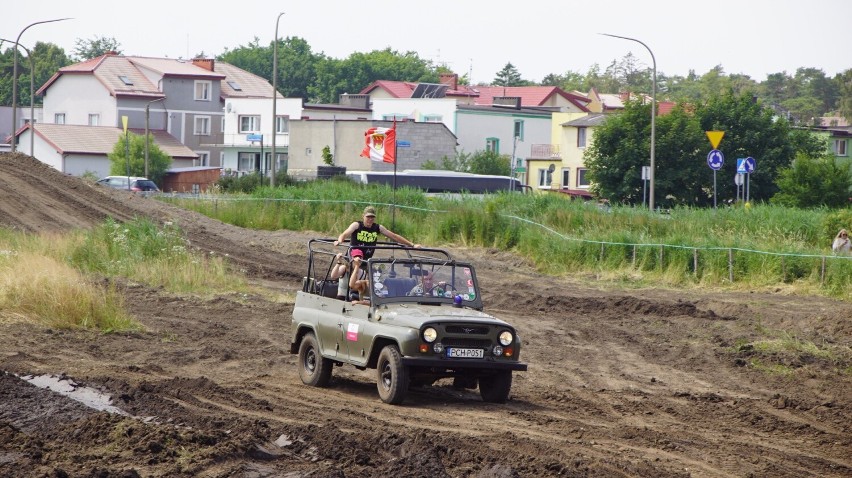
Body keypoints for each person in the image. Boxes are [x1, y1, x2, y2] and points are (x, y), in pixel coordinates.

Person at [334, 206, 421, 258]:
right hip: (353, 258)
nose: (370, 219)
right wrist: (340, 241)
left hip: (367, 261)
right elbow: (344, 234)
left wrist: (412, 245)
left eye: (372, 217)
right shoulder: (356, 225)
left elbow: (394, 236)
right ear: (363, 216)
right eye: (368, 217)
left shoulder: (378, 227)